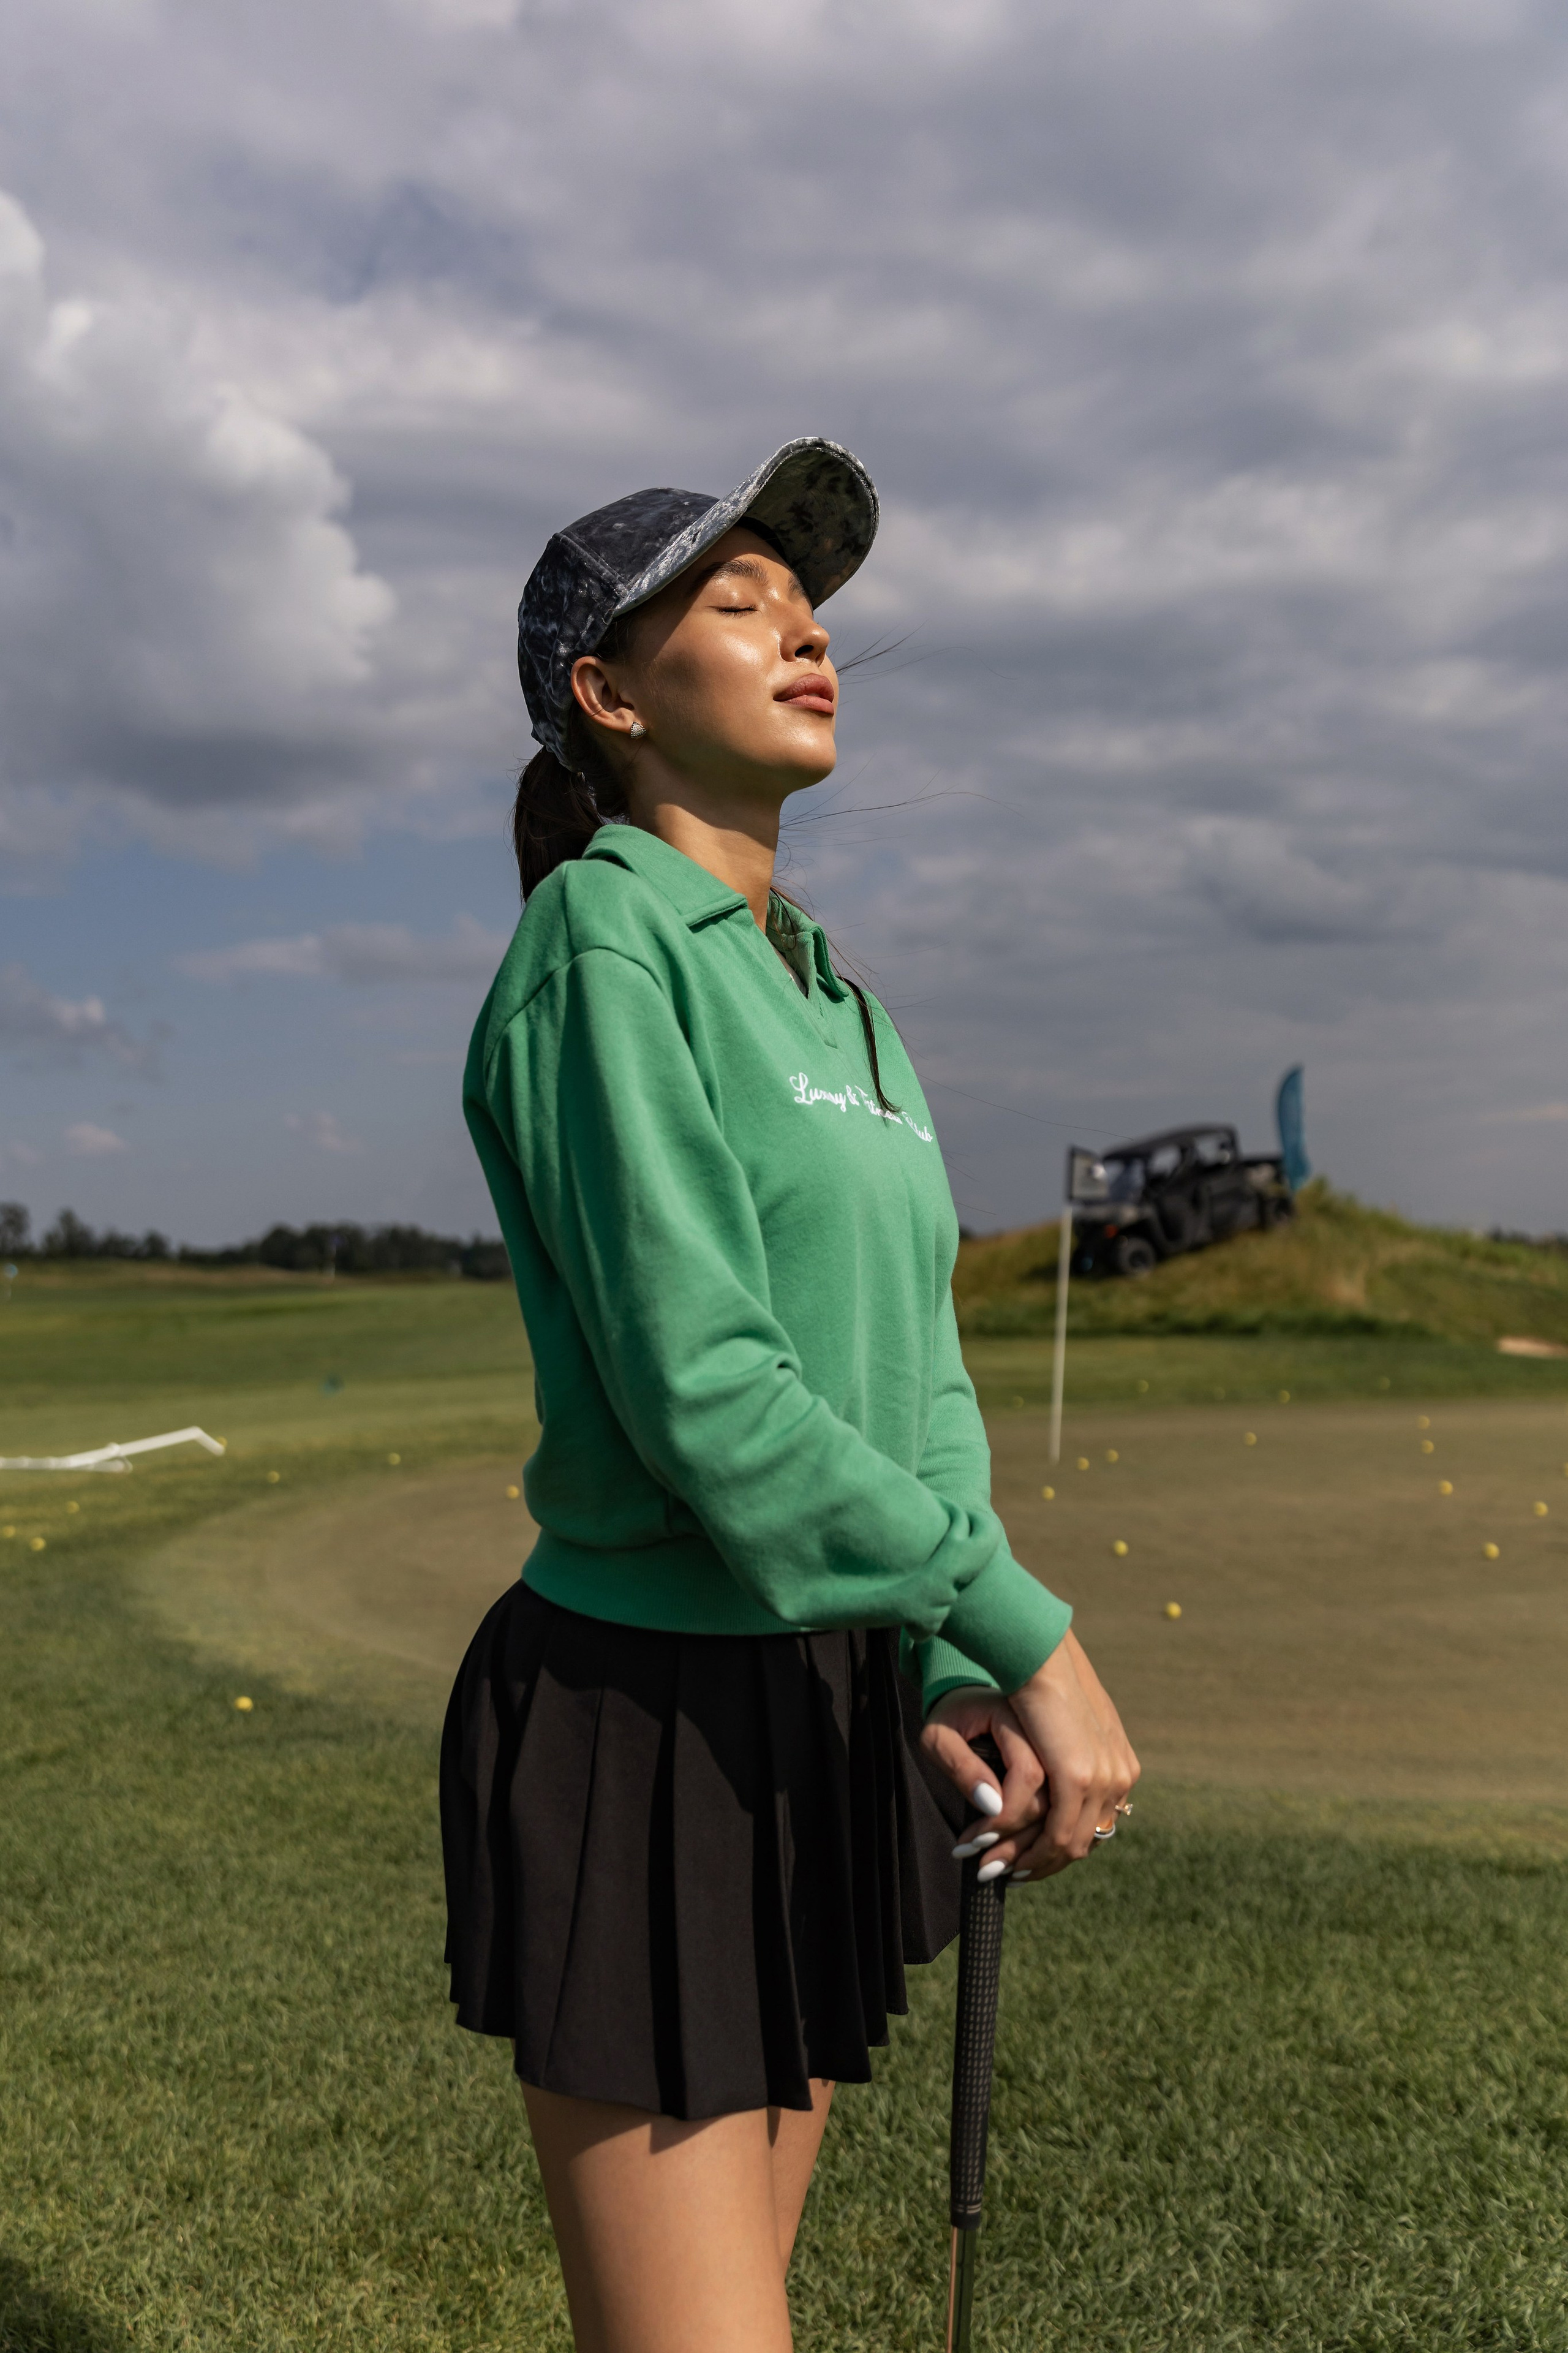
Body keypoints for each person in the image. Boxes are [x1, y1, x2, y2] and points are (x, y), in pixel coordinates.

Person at [440, 437, 1139, 2353]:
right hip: (647, 1716)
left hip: (820, 1708)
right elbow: (712, 1397)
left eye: (806, 604)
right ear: (609, 694)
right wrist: (1033, 1630)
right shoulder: (599, 941)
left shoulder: (836, 994)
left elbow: (921, 1372)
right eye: (736, 602)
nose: (804, 631)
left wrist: (946, 1661)